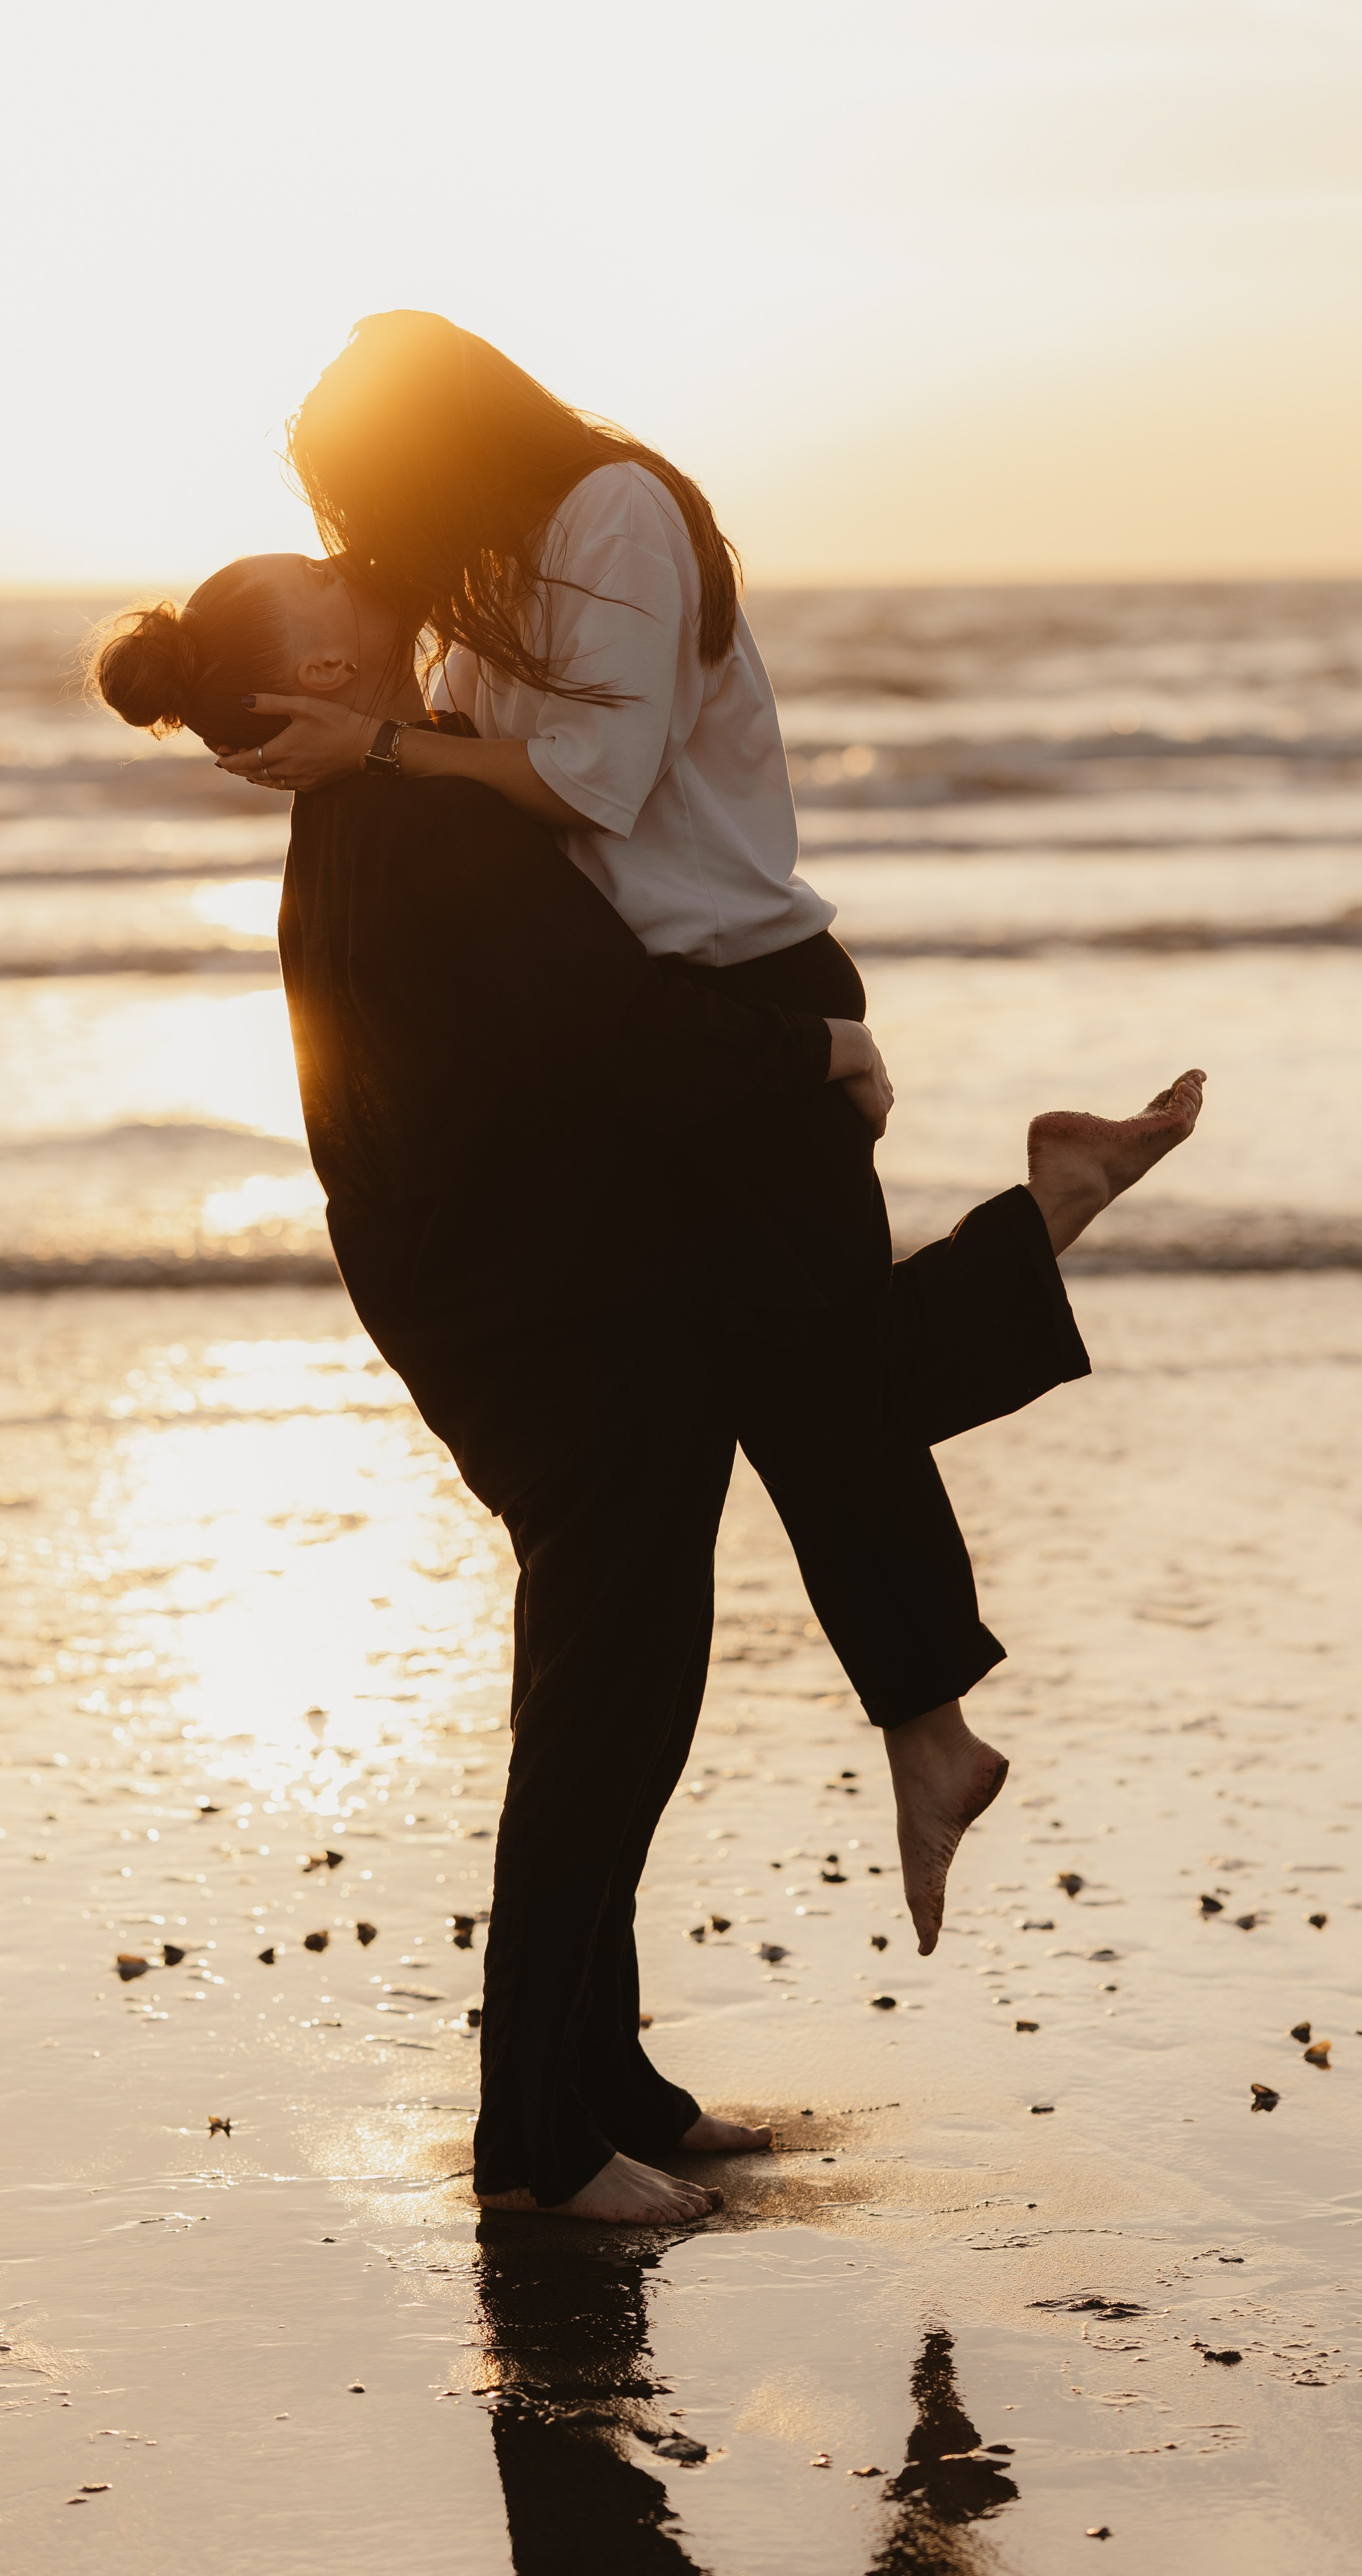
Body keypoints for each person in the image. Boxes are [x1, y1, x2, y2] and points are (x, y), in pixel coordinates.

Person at [93, 551, 1202, 2225]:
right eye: (336, 583)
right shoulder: (425, 828)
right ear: (321, 667)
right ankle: (535, 2148)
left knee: (706, 1559)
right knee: (601, 1731)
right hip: (557, 1331)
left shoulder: (373, 815)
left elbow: (566, 1023)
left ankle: (602, 2082)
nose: (370, 575)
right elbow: (616, 1032)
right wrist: (819, 1050)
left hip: (518, 1306)